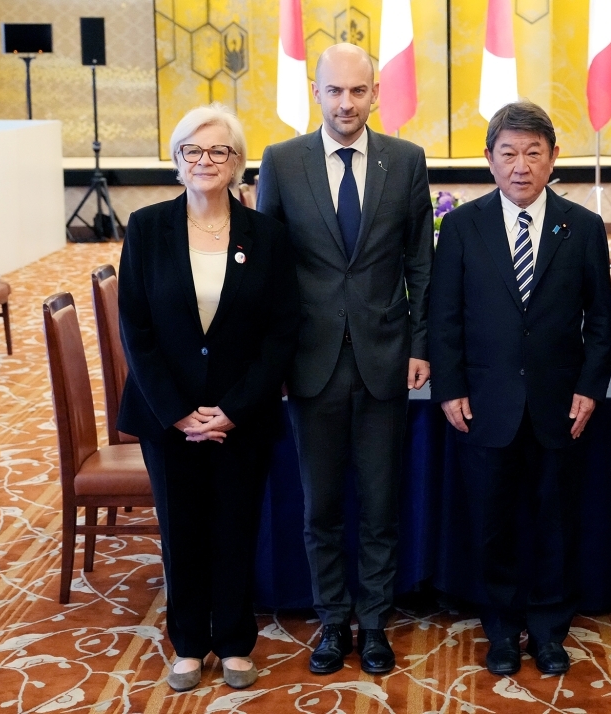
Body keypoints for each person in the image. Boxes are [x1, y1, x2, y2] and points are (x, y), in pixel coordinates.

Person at [256, 43, 434, 675]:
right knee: (322, 505)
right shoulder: (281, 162)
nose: (346, 103)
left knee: (381, 504)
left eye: (358, 91)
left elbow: (420, 262)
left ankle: (376, 622)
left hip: (387, 361)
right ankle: (333, 622)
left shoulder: (406, 161)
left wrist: (419, 345)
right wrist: (271, 360)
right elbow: (268, 273)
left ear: (375, 93)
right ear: (316, 93)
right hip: (311, 364)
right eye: (335, 91)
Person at [117, 103, 300, 692]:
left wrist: (234, 408)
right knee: (182, 531)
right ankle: (190, 644)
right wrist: (177, 412)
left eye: (218, 151)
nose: (205, 161)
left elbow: (281, 330)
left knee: (235, 527)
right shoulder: (147, 227)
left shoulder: (266, 235)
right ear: (176, 161)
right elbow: (136, 329)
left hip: (239, 415)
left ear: (238, 163)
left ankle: (237, 643)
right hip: (166, 415)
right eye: (192, 151)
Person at [429, 101, 611, 676]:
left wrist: (589, 387)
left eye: (534, 152)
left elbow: (601, 319)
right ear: (489, 160)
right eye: (508, 152)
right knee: (493, 524)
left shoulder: (580, 227)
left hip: (559, 403)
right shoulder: (462, 226)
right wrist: (451, 386)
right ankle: (503, 631)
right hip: (486, 404)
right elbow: (446, 317)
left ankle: (550, 629)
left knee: (554, 520)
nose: (521, 165)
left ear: (554, 158)